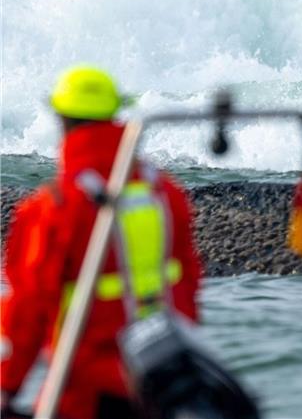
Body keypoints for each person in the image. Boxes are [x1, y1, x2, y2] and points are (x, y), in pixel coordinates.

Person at [0, 66, 203, 418]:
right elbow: (187, 283)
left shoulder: (54, 207)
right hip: (165, 381)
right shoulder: (165, 193)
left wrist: (6, 385)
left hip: (86, 390)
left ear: (62, 121)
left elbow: (26, 311)